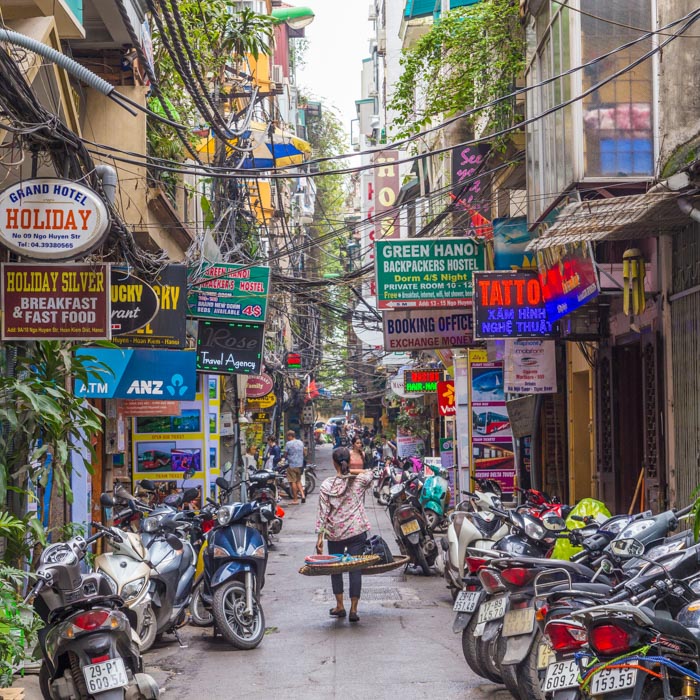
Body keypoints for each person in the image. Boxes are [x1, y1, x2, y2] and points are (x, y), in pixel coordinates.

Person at [315, 447, 373, 622]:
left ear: (334, 463)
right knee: (355, 569)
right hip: (356, 531)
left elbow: (322, 513)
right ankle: (354, 609)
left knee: (336, 569)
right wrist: (351, 471)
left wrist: (319, 537)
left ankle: (340, 606)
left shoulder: (326, 485)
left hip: (335, 534)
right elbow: (370, 473)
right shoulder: (359, 481)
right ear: (349, 461)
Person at [284, 430, 306, 505]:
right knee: (298, 481)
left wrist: (284, 458)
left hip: (292, 465)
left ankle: (295, 499)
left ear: (290, 436)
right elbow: (304, 453)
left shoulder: (288, 444)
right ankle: (303, 495)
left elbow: (285, 454)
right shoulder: (300, 442)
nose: (287, 438)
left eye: (287, 436)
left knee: (293, 482)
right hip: (300, 465)